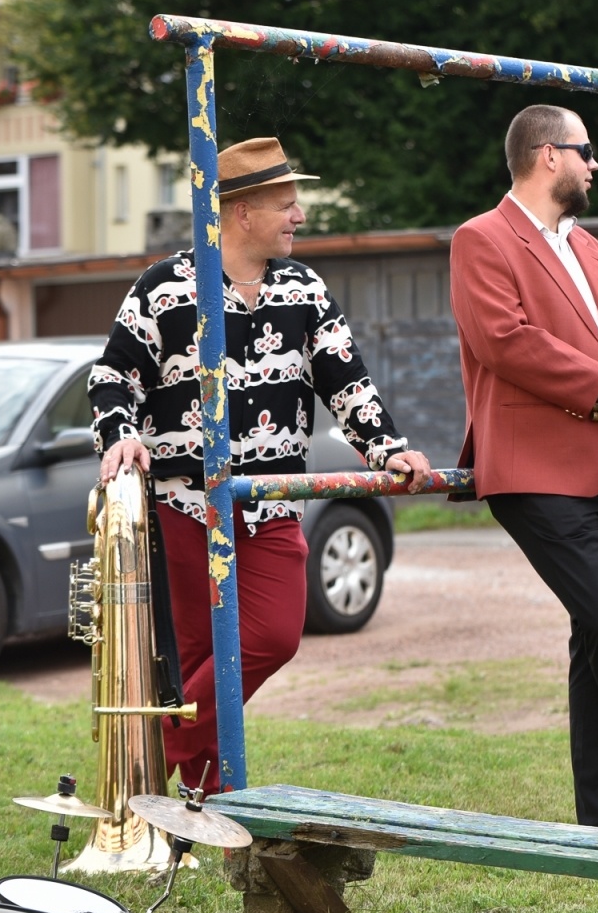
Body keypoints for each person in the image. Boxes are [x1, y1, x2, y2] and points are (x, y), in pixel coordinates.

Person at [88, 136, 432, 795]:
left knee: (273, 637)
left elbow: (348, 384)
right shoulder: (165, 287)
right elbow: (111, 375)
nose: (300, 215)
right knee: (198, 656)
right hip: (186, 505)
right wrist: (120, 435)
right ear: (243, 212)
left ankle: (148, 755)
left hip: (271, 501)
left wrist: (386, 447)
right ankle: (202, 804)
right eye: (288, 204)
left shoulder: (305, 289)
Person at [447, 104, 598, 833]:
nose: (594, 164)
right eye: (585, 152)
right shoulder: (481, 238)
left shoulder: (593, 250)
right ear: (548, 156)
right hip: (534, 467)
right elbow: (503, 341)